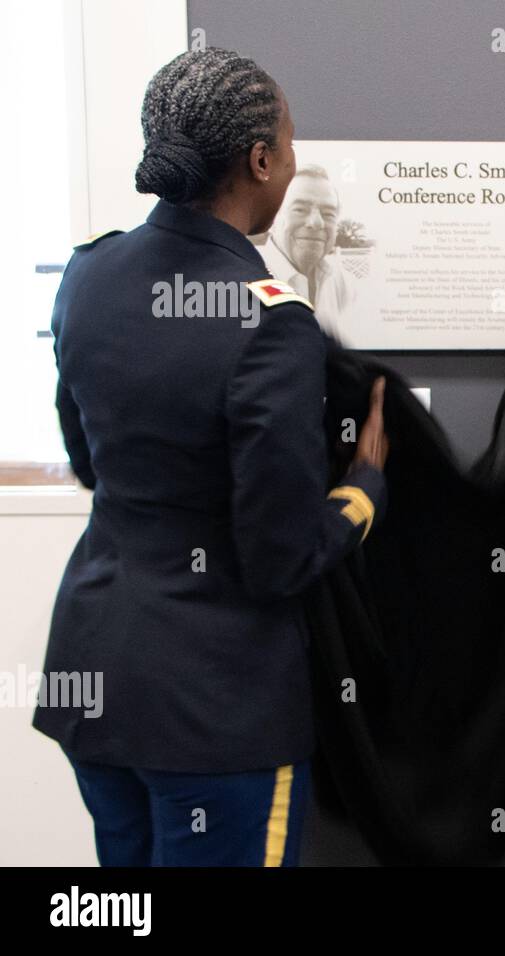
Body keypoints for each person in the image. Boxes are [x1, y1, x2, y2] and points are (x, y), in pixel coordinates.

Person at [32, 48, 389, 867]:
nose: (294, 161)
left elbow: (89, 462)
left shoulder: (89, 275)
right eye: (292, 144)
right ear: (261, 160)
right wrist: (363, 491)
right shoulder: (272, 321)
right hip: (211, 710)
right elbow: (279, 559)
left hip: (93, 680)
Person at [262, 164, 355, 339]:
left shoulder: (339, 280)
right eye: (300, 210)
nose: (316, 222)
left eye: (328, 214)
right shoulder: (249, 278)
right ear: (273, 216)